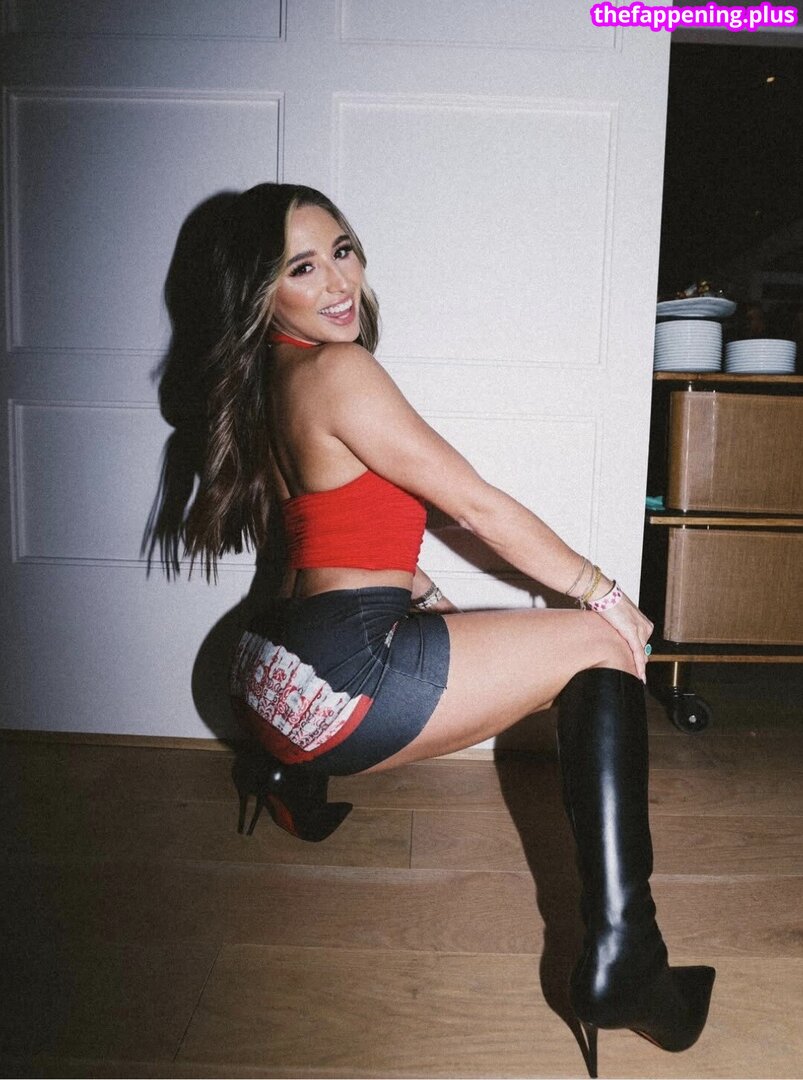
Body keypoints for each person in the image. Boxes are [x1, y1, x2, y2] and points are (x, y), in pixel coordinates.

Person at [182, 182, 715, 1073]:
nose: (337, 282)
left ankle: (289, 778)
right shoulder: (340, 371)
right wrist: (604, 595)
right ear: (260, 291)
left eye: (342, 250)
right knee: (600, 648)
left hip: (268, 677)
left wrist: (428, 600)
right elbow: (473, 505)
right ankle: (628, 958)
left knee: (511, 639)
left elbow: (326, 533)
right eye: (301, 268)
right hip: (343, 680)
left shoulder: (271, 375)